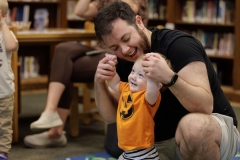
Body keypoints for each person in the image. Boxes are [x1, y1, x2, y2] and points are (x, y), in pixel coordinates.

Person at [94, 1, 240, 160]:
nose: (125, 50)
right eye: (115, 48)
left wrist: (169, 77)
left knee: (194, 128)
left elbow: (204, 106)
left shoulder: (179, 45)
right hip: (157, 145)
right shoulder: (122, 60)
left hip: (212, 133)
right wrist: (99, 82)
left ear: (139, 22)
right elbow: (109, 117)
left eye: (127, 38)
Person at [24, 0, 148, 148]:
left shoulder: (133, 3)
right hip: (99, 49)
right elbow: (80, 11)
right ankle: (50, 114)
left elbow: (124, 7)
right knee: (63, 50)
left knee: (62, 66)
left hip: (118, 53)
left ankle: (55, 131)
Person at [106, 53, 166, 159]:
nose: (133, 76)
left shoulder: (147, 97)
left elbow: (153, 89)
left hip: (143, 154)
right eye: (133, 71)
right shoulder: (126, 88)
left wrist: (154, 77)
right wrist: (111, 66)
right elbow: (114, 83)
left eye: (141, 75)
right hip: (127, 152)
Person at [0, 1, 19, 159]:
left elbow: (11, 46)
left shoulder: (6, 34)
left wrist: (3, 24)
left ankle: (2, 152)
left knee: (4, 124)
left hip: (3, 90)